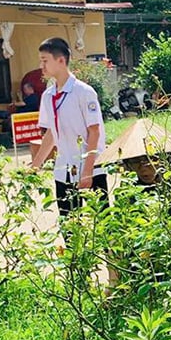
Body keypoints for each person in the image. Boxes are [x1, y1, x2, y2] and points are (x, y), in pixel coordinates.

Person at [30, 37, 107, 218]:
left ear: (61, 61)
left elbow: (94, 131)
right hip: (63, 169)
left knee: (103, 223)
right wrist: (35, 165)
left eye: (45, 60)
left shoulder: (84, 92)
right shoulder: (48, 96)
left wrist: (87, 171)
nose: (41, 66)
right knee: (69, 224)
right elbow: (51, 133)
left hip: (91, 167)